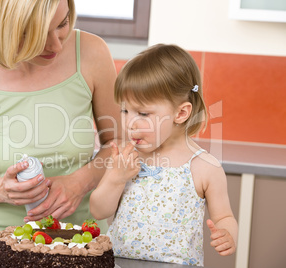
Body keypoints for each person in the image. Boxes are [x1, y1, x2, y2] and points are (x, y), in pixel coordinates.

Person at [0, 0, 121, 233]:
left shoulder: (91, 52)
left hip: (85, 241)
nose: (56, 46)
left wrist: (81, 182)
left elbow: (120, 145)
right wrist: (1, 189)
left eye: (62, 24)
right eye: (36, 35)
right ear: (1, 29)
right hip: (4, 242)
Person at [89, 44, 238, 266]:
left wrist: (228, 235)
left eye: (143, 113)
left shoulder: (204, 167)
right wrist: (116, 178)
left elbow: (224, 217)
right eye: (125, 110)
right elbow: (98, 210)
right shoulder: (126, 158)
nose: (130, 123)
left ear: (181, 113)